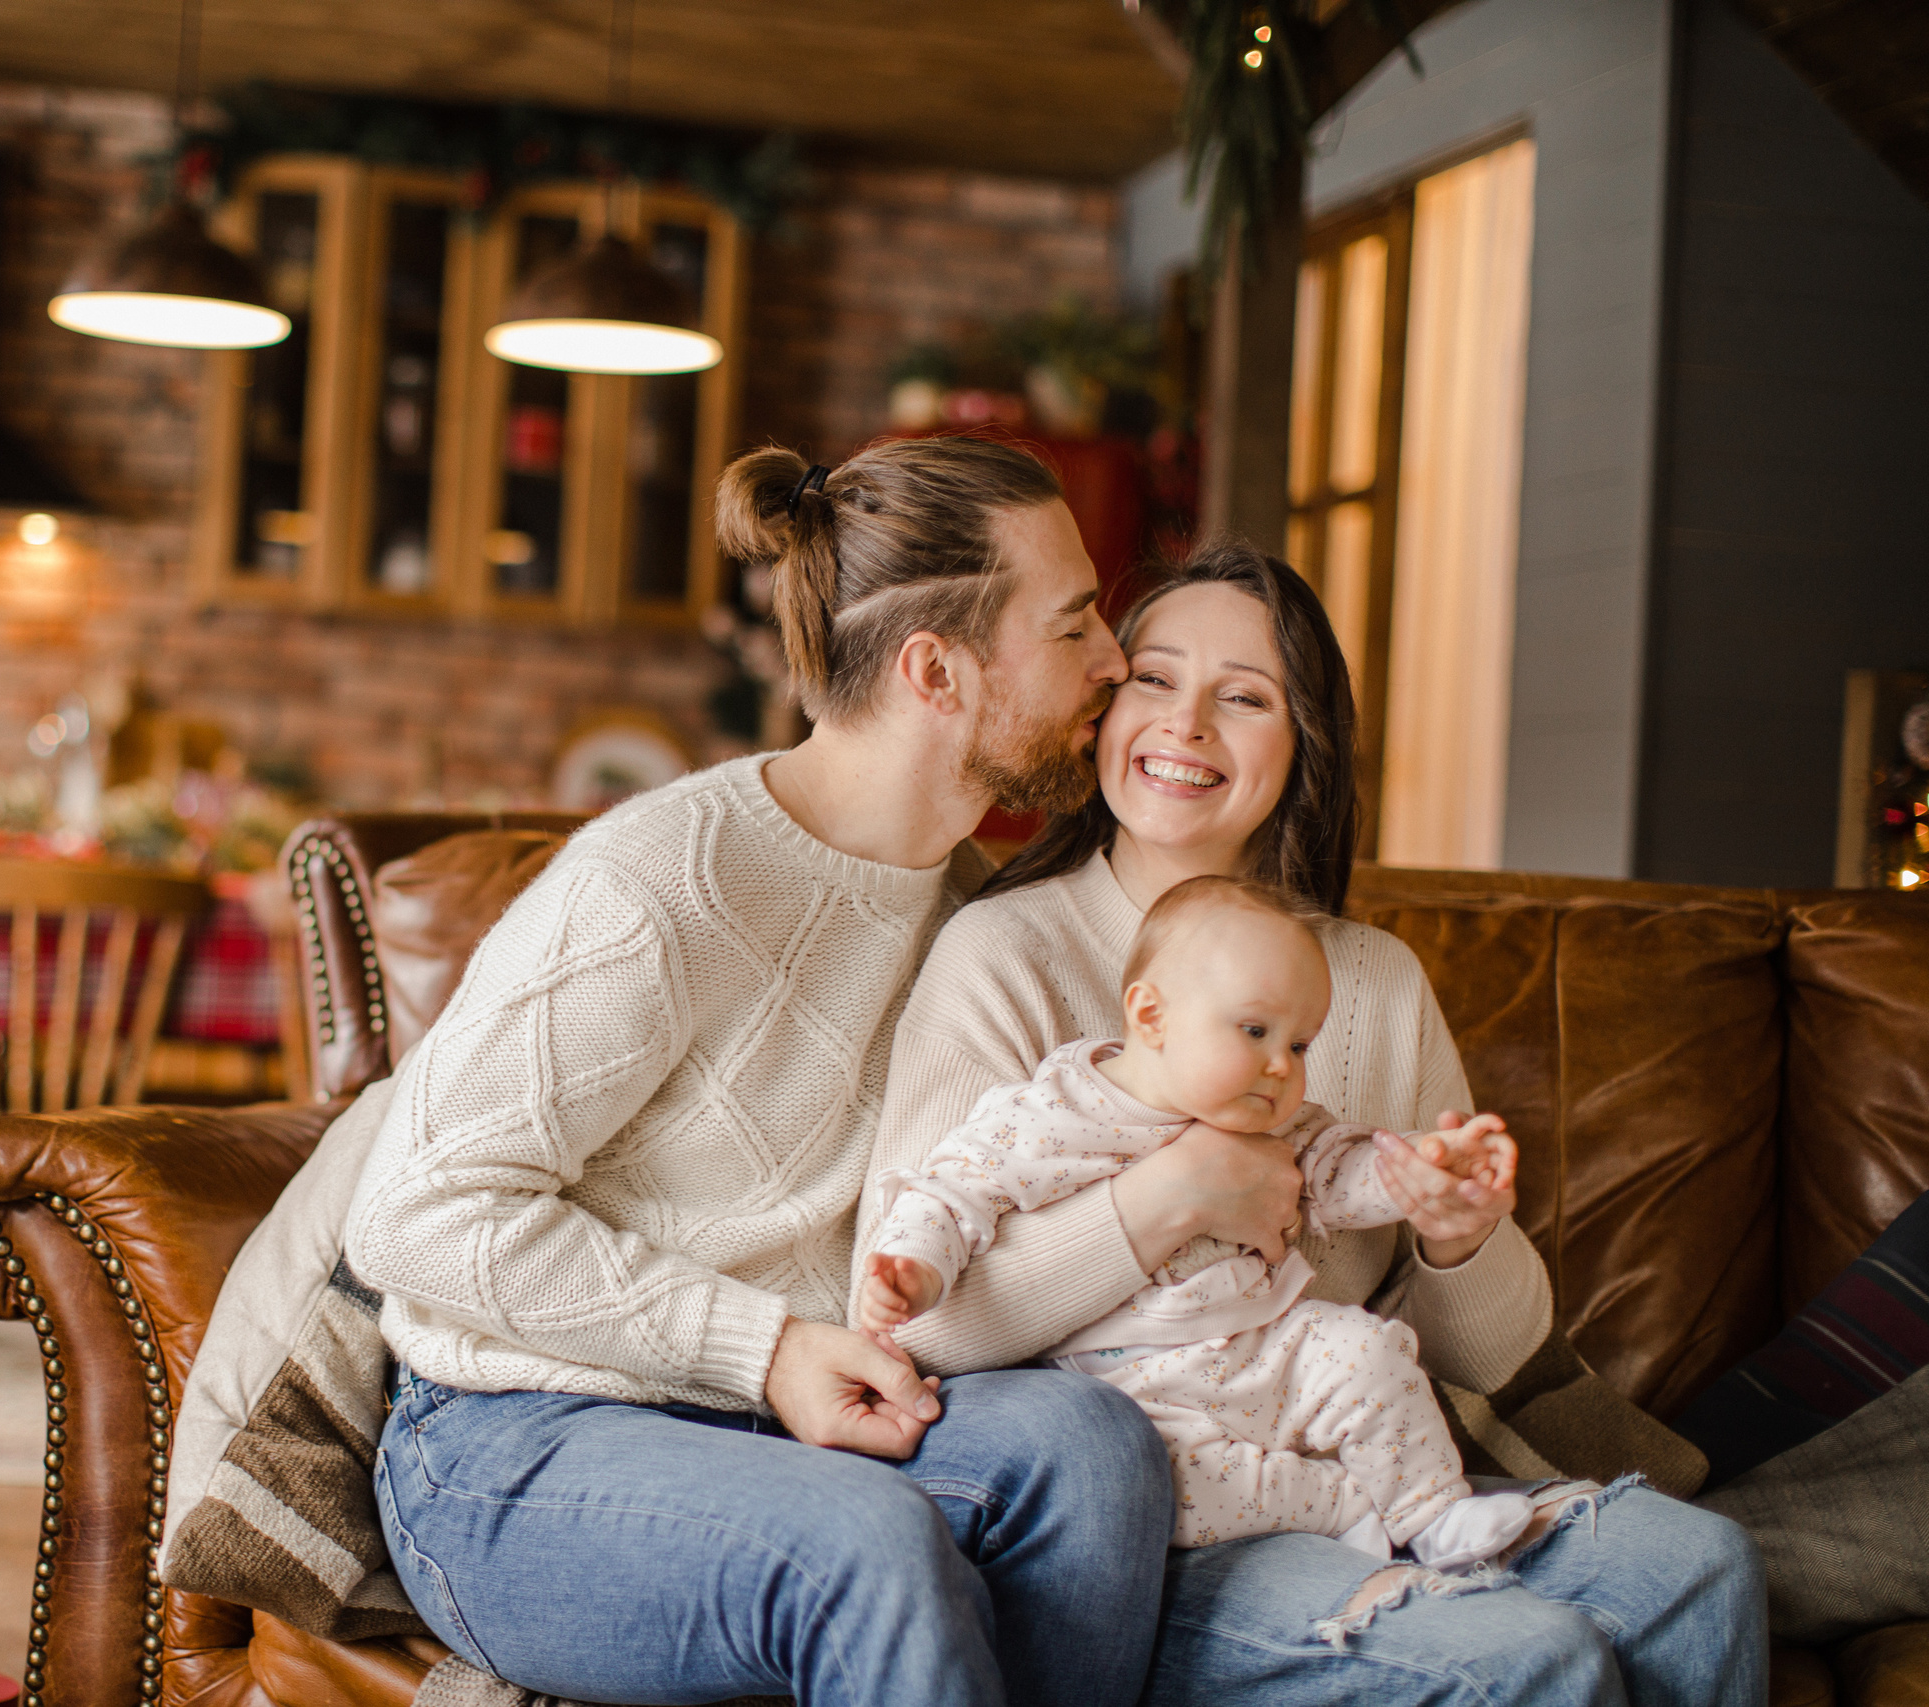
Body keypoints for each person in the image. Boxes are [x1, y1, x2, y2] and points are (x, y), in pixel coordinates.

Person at [868, 540, 1767, 1704]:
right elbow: (915, 1331)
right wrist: (1173, 1197)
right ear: (1100, 708)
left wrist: (1457, 1234)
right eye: (1154, 678)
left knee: (1706, 1570)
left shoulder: (1372, 983)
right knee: (1526, 1663)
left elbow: (1488, 1358)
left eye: (1244, 698)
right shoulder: (1002, 956)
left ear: (1301, 752)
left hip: (1361, 1440)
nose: (1185, 723)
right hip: (1155, 1495)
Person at [345, 437, 1164, 1707]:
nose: (1115, 660)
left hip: (782, 1428)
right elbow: (415, 1214)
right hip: (513, 1447)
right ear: (935, 671)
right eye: (1074, 626)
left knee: (1094, 1452)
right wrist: (764, 1346)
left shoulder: (973, 916)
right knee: (863, 1545)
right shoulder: (663, 883)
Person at [861, 874, 1536, 1570]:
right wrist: (916, 1269)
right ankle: (1340, 1505)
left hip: (1269, 1344)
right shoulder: (1051, 1114)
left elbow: (1343, 1174)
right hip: (1133, 1388)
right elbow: (950, 1192)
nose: (1281, 1066)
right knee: (1160, 1485)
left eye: (1300, 1045)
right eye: (1255, 1031)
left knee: (1368, 1351)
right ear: (1150, 1017)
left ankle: (1434, 1511)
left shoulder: (1280, 1124)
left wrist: (1421, 1166)